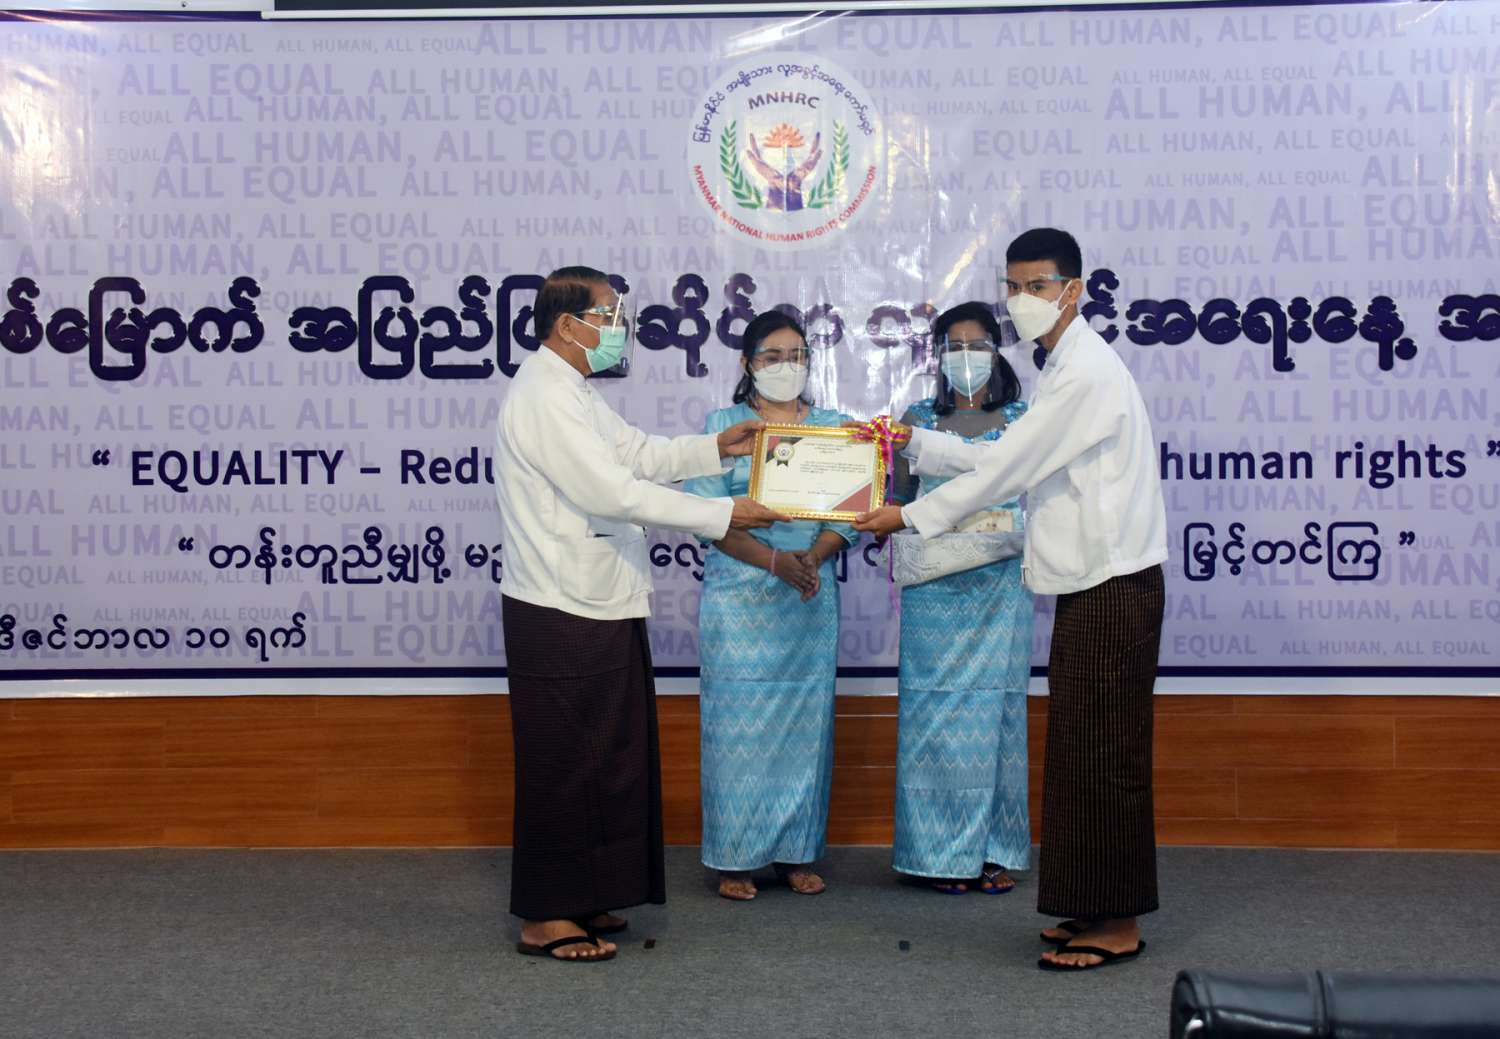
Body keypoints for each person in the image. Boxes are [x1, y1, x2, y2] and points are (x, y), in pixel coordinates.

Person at [852, 229, 1168, 972]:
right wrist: (916, 444)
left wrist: (908, 515)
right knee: (1081, 751)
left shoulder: (1085, 370)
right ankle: (1090, 904)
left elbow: (1006, 471)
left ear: (1074, 290)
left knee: (1106, 755)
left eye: (1038, 286)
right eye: (1014, 286)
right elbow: (1001, 455)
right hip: (1089, 584)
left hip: (1113, 585)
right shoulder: (1064, 366)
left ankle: (1118, 922)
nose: (1023, 300)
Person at [493, 266, 787, 963]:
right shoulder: (541, 394)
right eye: (609, 315)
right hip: (559, 606)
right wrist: (721, 512)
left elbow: (635, 453)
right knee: (566, 762)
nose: (619, 329)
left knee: (606, 752)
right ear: (568, 324)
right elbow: (612, 492)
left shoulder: (574, 389)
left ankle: (587, 894)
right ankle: (546, 915)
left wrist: (715, 447)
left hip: (598, 598)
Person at [685, 310, 856, 901]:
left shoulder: (835, 428)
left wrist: (812, 556)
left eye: (798, 355)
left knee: (806, 728)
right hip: (740, 595)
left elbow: (851, 512)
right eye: (773, 356)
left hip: (809, 590)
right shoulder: (724, 426)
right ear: (748, 363)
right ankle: (735, 857)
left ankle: (795, 853)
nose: (788, 366)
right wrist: (774, 561)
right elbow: (708, 516)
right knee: (737, 729)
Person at [886, 301, 1034, 897]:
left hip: (1001, 588)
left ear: (997, 351)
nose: (965, 357)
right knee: (932, 715)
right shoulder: (917, 419)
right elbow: (898, 500)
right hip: (934, 589)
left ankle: (994, 850)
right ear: (937, 355)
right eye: (954, 346)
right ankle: (933, 854)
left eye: (977, 345)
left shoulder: (1025, 418)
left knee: (1000, 715)